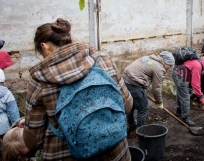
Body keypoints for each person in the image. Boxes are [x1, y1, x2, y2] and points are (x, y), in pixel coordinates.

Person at [23, 18, 133, 161]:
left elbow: (33, 141)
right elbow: (128, 106)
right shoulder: (103, 59)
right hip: (117, 153)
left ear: (45, 46)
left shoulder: (40, 81)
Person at [122, 51, 175, 138]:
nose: (170, 68)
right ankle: (140, 133)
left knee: (130, 106)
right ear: (165, 62)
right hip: (134, 83)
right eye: (170, 65)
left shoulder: (149, 58)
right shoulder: (159, 68)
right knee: (143, 109)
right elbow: (156, 89)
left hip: (125, 80)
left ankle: (132, 128)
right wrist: (159, 102)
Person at [172, 55, 204, 127]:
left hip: (178, 73)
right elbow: (195, 84)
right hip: (179, 75)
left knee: (181, 93)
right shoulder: (198, 65)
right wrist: (201, 96)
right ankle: (185, 118)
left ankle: (179, 111)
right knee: (186, 97)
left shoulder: (202, 60)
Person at [0, 68, 20, 138]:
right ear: (3, 81)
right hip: (3, 128)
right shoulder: (7, 93)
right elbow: (13, 114)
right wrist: (17, 125)